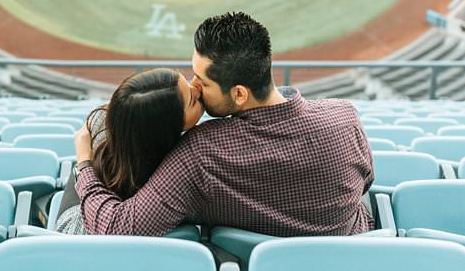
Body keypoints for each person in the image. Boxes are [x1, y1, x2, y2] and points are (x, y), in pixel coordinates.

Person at [73, 12, 373, 238]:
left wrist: (85, 164)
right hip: (352, 269)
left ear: (239, 94)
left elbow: (116, 226)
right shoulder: (345, 116)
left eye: (202, 81)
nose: (195, 87)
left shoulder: (199, 154)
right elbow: (365, 184)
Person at [51, 67, 202, 233]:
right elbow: (69, 234)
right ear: (166, 128)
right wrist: (84, 166)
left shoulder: (130, 120)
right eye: (191, 101)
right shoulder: (100, 129)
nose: (197, 90)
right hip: (78, 224)